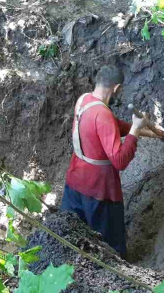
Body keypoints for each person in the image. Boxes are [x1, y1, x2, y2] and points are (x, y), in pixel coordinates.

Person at [61, 64, 149, 258]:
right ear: (116, 88)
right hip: (99, 191)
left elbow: (111, 125)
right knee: (111, 248)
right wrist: (135, 130)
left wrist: (143, 130)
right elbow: (120, 161)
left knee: (72, 239)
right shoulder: (103, 115)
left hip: (74, 184)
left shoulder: (84, 100)